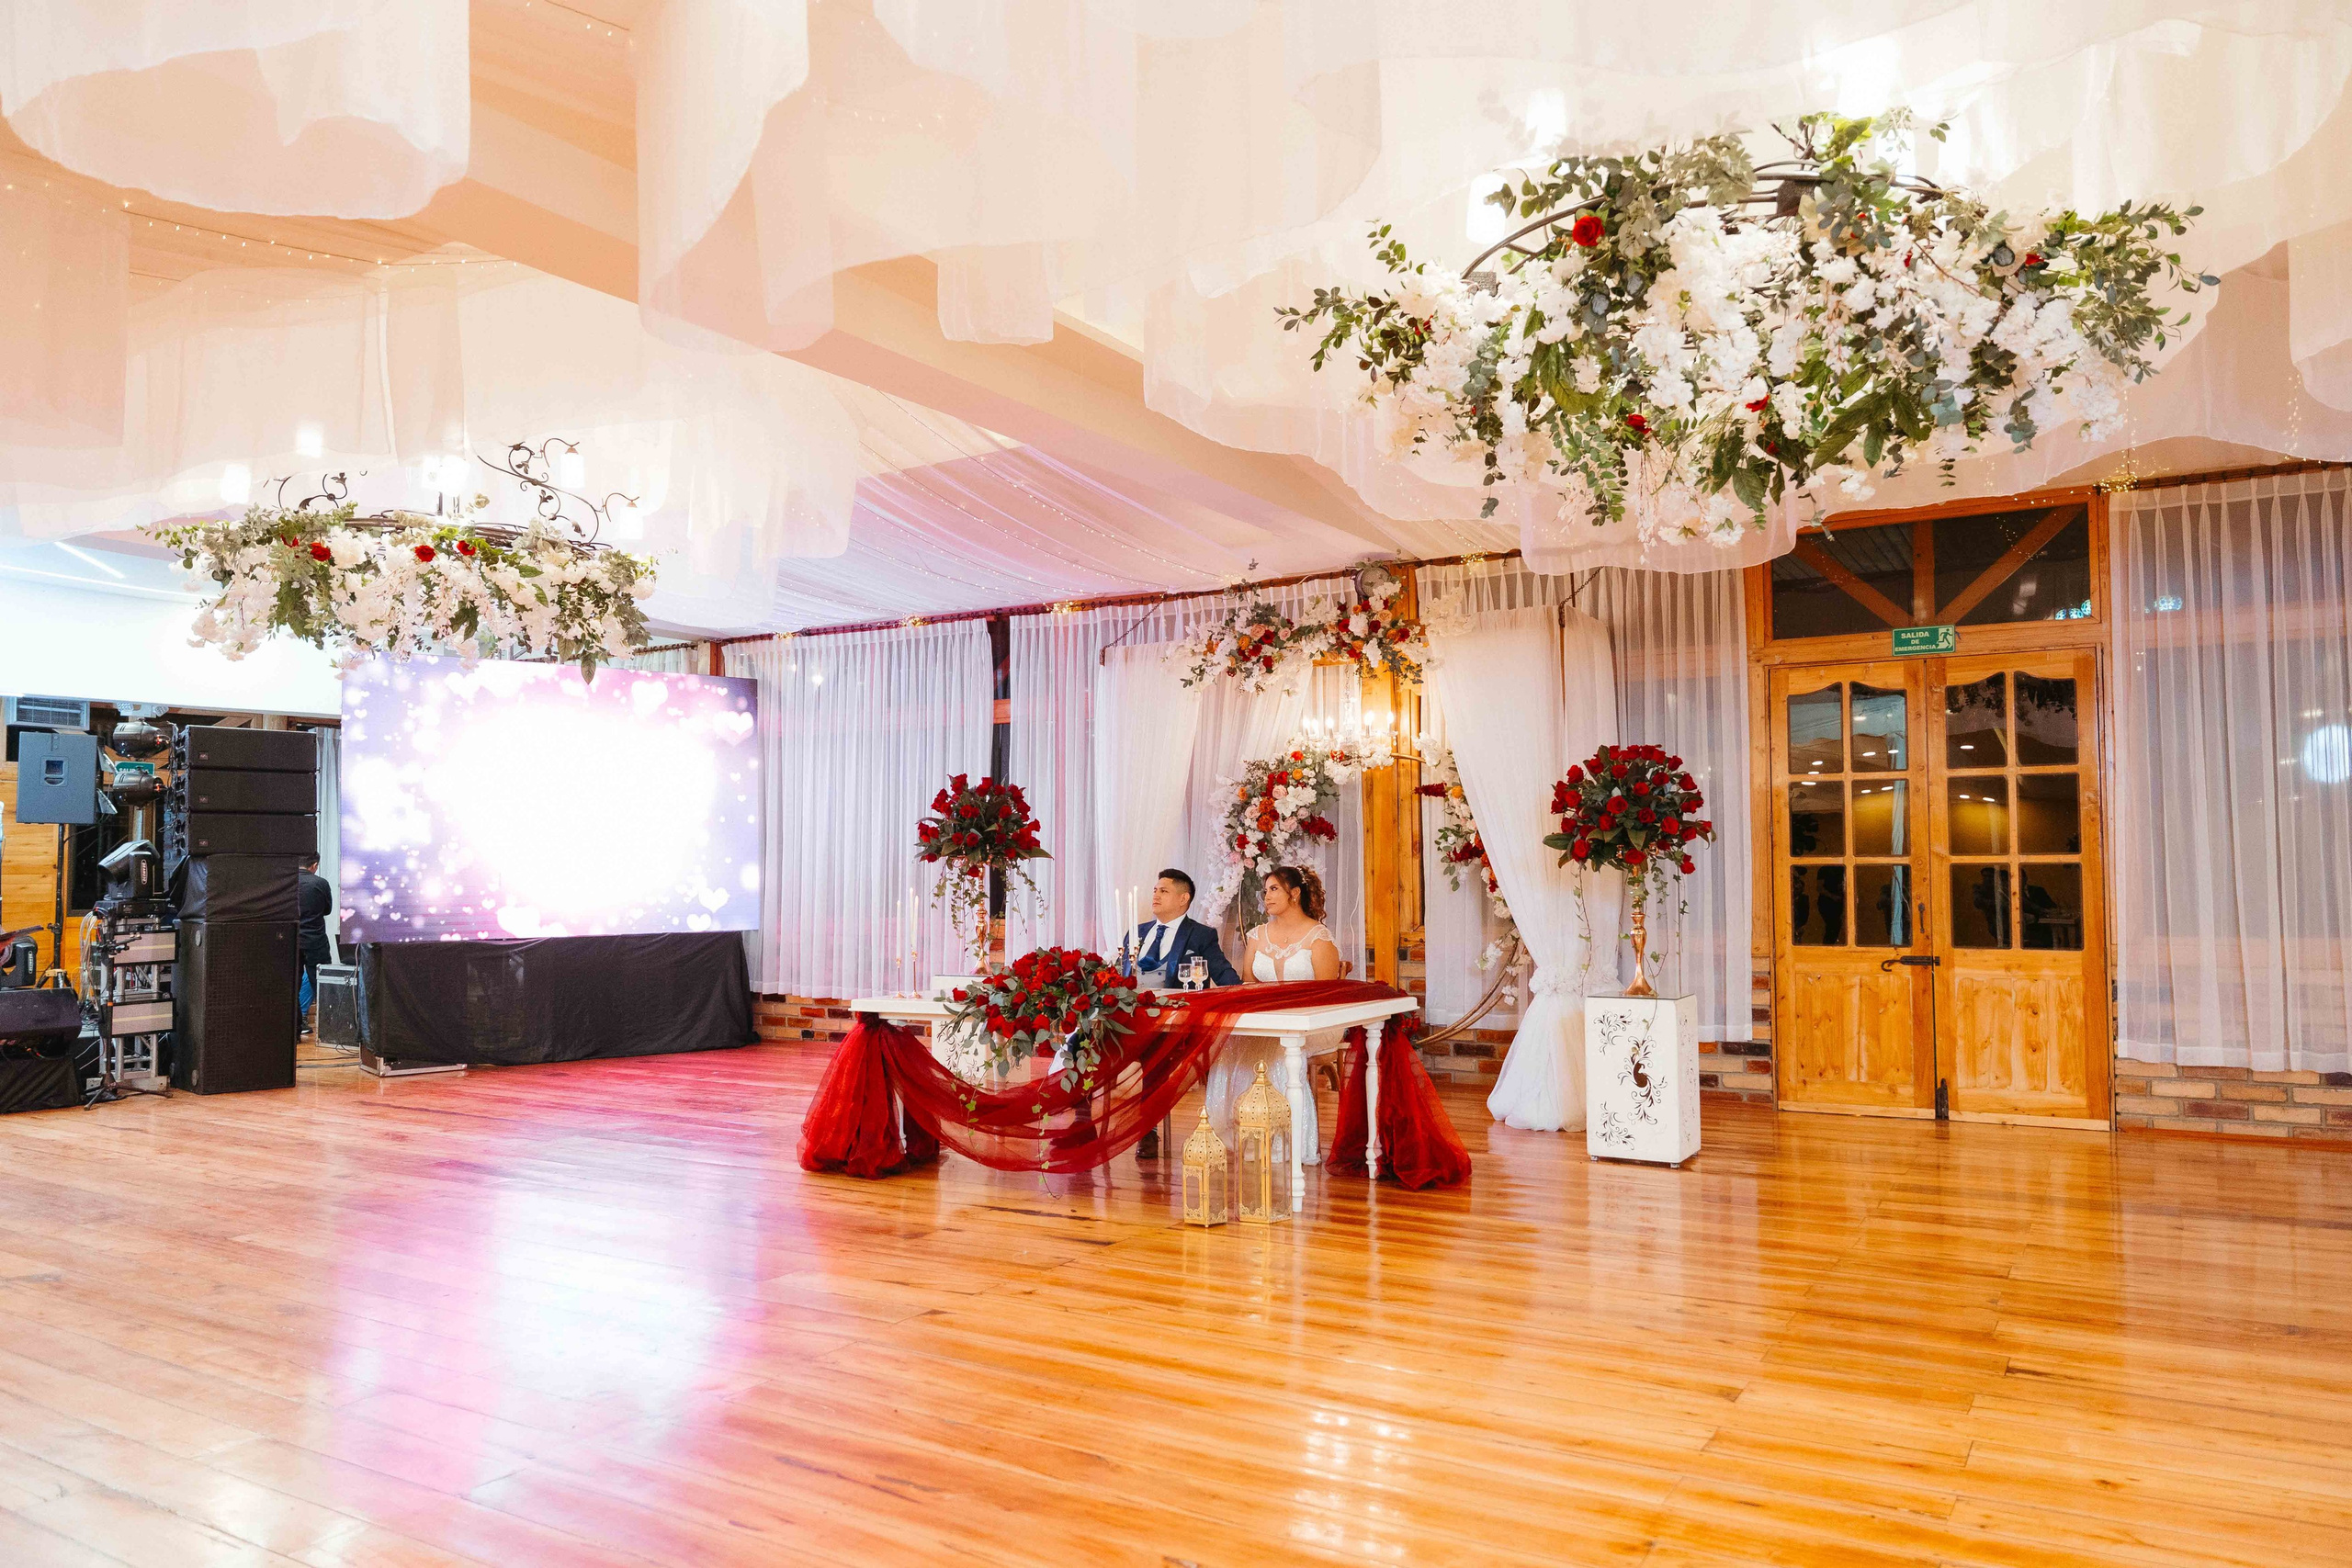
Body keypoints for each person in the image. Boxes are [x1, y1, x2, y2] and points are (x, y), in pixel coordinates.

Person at [1125, 869, 1239, 989]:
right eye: (1155, 890)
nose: (1156, 896)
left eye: (1163, 891)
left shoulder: (1202, 935)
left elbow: (1225, 976)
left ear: (1183, 899)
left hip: (1179, 1006)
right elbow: (1119, 973)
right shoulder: (1137, 931)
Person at [1241, 865, 1342, 984]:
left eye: (1274, 889)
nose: (1267, 897)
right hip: (1262, 1002)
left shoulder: (1319, 937)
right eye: (1266, 891)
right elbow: (1248, 986)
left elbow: (1327, 993)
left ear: (1295, 893)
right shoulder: (1256, 936)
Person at [295, 852, 334, 1037]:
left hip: (293, 940)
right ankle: (331, 1030)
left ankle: (295, 1028)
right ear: (315, 865)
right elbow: (327, 910)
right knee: (322, 984)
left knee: (291, 984)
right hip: (315, 940)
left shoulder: (287, 884)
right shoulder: (320, 883)